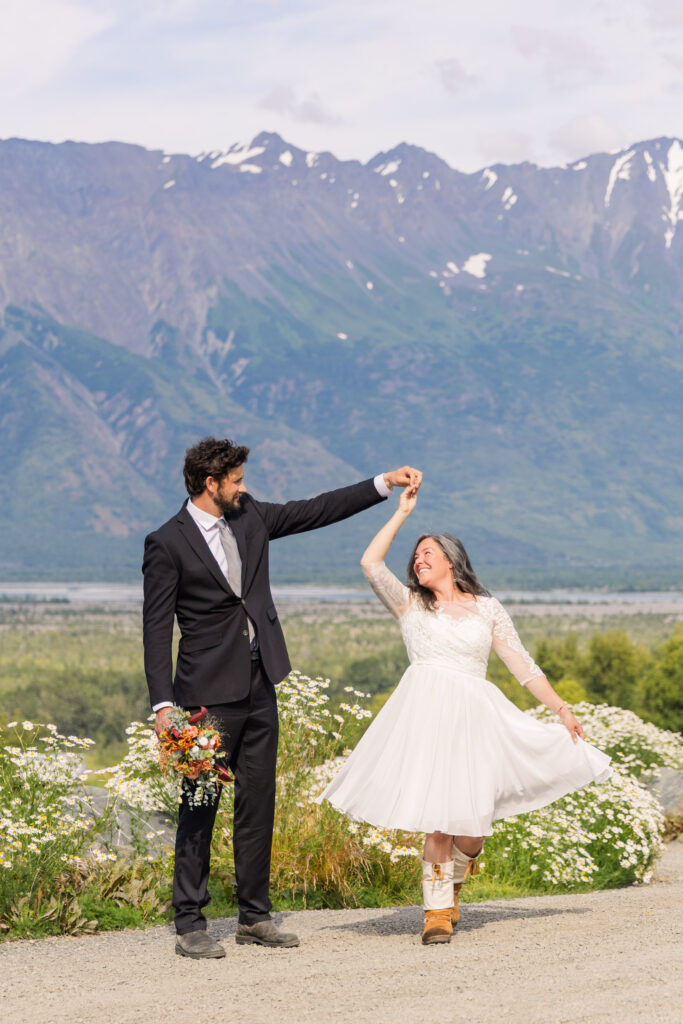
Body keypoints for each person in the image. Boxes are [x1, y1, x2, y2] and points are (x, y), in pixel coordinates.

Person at [142, 435, 422, 959]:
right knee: (200, 804)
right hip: (204, 696)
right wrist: (163, 706)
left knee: (258, 801)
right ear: (211, 484)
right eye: (237, 481)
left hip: (260, 680)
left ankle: (254, 917)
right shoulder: (167, 542)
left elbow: (314, 510)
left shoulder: (250, 517)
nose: (245, 488)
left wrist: (383, 483)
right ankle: (189, 922)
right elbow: (156, 630)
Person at [318, 484, 611, 945]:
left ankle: (454, 884)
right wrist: (401, 514)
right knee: (439, 817)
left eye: (427, 552)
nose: (418, 559)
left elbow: (521, 664)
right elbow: (370, 564)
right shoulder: (410, 604)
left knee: (472, 827)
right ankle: (436, 912)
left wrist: (560, 708)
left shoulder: (487, 608)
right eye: (416, 555)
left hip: (476, 718)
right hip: (425, 716)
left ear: (451, 561)